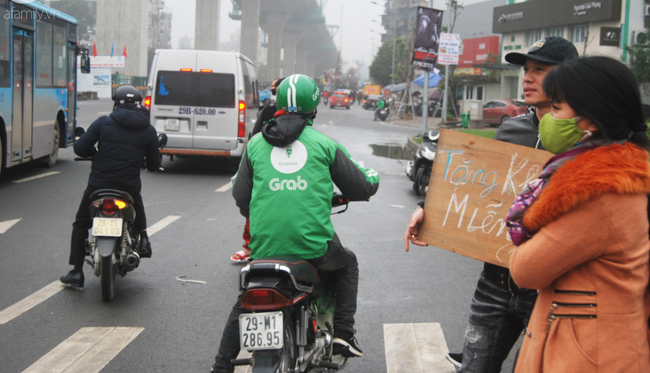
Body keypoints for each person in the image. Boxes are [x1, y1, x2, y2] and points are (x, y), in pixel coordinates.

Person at [404, 37, 579, 373]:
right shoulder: (511, 128)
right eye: (525, 70)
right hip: (495, 282)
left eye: (539, 70)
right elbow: (477, 186)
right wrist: (430, 210)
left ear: (570, 76)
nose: (527, 78)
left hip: (550, 288)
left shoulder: (585, 139)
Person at [211, 74, 380, 372]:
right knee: (348, 263)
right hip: (312, 250)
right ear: (313, 107)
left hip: (263, 249)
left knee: (244, 299)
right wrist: (373, 179)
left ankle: (221, 366)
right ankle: (342, 335)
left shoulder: (255, 145)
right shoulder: (324, 144)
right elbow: (360, 187)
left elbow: (241, 197)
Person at [508, 56, 650, 372]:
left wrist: (524, 244)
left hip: (590, 356)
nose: (549, 118)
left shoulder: (600, 192)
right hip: (593, 346)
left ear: (590, 121)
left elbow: (526, 270)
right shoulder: (615, 174)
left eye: (557, 108)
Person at [60, 85, 161, 290]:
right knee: (136, 199)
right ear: (139, 104)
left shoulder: (103, 123)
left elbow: (80, 148)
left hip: (99, 184)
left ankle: (77, 272)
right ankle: (143, 241)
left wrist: (95, 154)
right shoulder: (148, 129)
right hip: (128, 186)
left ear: (116, 103)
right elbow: (153, 164)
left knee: (81, 224)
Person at [230, 77, 284, 262]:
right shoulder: (269, 111)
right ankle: (250, 246)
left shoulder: (318, 141)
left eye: (275, 89)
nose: (273, 92)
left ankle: (250, 246)